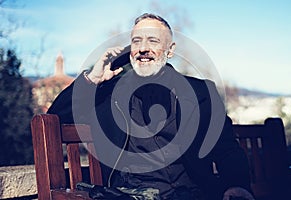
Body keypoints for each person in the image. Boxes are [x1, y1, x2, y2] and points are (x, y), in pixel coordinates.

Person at [48, 13, 254, 200]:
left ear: (170, 50)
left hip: (193, 193)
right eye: (136, 41)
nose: (143, 48)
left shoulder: (202, 93)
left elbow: (226, 148)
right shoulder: (108, 93)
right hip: (130, 195)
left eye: (153, 40)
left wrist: (237, 185)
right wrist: (92, 79)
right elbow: (55, 118)